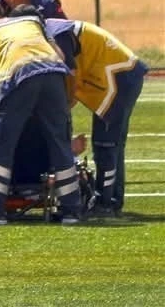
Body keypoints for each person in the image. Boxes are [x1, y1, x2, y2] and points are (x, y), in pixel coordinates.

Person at [0, 1, 81, 225]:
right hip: (53, 73)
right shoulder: (32, 22)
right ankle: (71, 211)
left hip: (16, 76)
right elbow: (61, 56)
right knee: (60, 143)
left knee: (1, 144)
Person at [42, 12, 148, 215]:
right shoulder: (55, 29)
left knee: (106, 144)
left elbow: (70, 74)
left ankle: (104, 202)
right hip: (119, 74)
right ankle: (112, 200)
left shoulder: (55, 34)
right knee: (112, 145)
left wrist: (63, 106)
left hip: (117, 76)